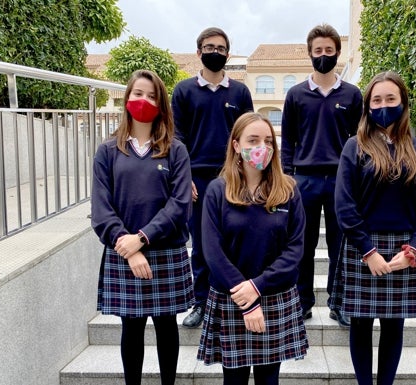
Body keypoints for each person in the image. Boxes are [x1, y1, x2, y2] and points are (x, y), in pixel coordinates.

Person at [331, 70, 416, 385]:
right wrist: (368, 251)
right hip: (364, 249)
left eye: (391, 99)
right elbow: (344, 206)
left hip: (403, 249)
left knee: (394, 326)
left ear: (403, 103)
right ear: (367, 106)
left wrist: (413, 250)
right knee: (360, 325)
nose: (383, 105)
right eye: (376, 100)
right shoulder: (354, 147)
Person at [91, 69, 194, 385]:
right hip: (124, 253)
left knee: (167, 327)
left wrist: (143, 238)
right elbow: (101, 208)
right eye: (138, 93)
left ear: (162, 104)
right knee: (131, 328)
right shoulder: (108, 151)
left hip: (166, 250)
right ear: (127, 99)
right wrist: (127, 244)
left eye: (152, 96)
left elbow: (179, 204)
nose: (144, 100)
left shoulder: (175, 150)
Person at [197, 112, 308, 385]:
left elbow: (295, 250)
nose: (263, 147)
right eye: (253, 140)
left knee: (269, 380)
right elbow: (212, 251)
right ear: (236, 145)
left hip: (275, 297)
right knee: (233, 381)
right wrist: (246, 298)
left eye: (268, 141)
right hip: (232, 298)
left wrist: (258, 286)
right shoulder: (217, 190)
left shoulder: (289, 190)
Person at [280, 24, 363, 327]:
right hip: (305, 179)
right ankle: (302, 302)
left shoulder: (353, 95)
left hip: (342, 180)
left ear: (337, 54)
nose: (323, 56)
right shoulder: (296, 95)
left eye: (329, 51)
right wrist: (287, 176)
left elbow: (360, 140)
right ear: (310, 54)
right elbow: (287, 139)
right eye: (318, 51)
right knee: (303, 243)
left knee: (341, 243)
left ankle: (338, 302)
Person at [171, 27, 254, 328]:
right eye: (209, 47)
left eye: (220, 48)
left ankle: (236, 298)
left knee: (235, 240)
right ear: (198, 52)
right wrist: (184, 177)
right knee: (203, 244)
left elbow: (250, 134)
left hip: (235, 177)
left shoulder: (240, 92)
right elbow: (176, 138)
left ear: (228, 54)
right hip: (198, 180)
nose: (215, 52)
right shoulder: (183, 91)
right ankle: (201, 302)